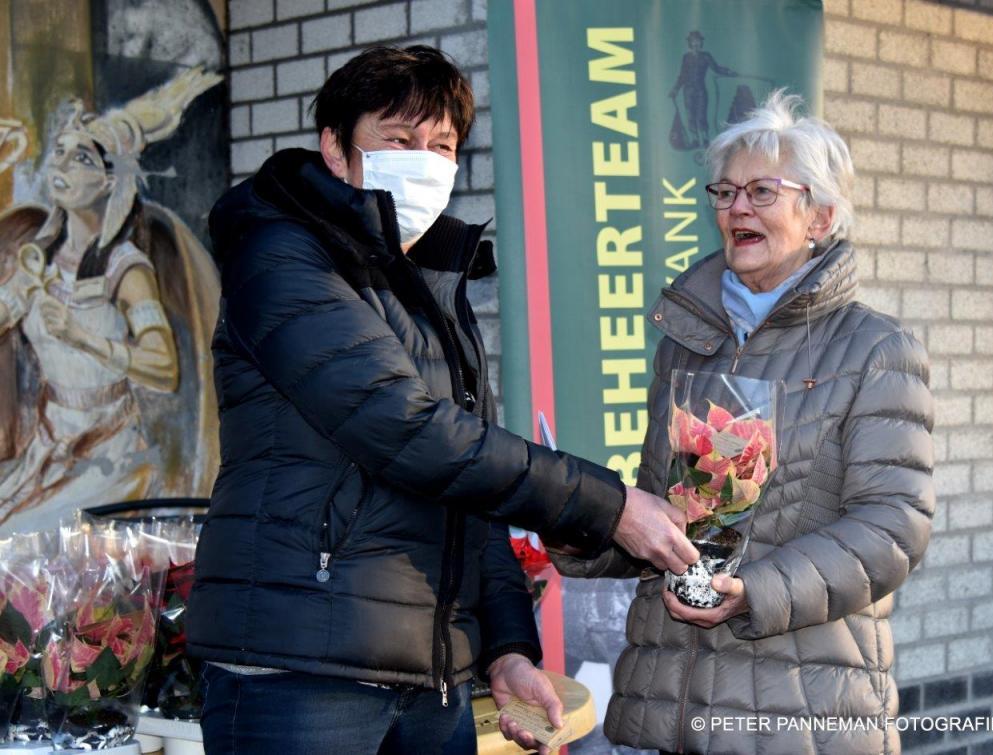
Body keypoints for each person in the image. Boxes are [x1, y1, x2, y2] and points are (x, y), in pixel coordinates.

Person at [186, 45, 697, 755]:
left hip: (432, 682)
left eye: (442, 145)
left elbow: (468, 489)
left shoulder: (428, 283)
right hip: (300, 675)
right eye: (398, 140)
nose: (423, 162)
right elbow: (409, 432)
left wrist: (507, 647)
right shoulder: (281, 256)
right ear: (335, 147)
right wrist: (610, 506)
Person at [552, 91, 934, 754]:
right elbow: (665, 517)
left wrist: (752, 591)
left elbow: (893, 529)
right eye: (725, 192)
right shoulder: (685, 343)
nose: (736, 208)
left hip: (799, 713)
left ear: (821, 216)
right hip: (673, 703)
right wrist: (585, 526)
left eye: (762, 192)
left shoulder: (876, 348)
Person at [0, 68, 221, 532]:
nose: (61, 166)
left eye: (80, 158)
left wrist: (80, 336)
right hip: (47, 448)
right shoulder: (38, 258)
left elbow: (164, 367)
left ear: (107, 181)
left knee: (23, 538)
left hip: (106, 456)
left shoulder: (126, 269)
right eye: (59, 153)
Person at [668, 31, 736, 148]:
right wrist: (675, 89)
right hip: (688, 91)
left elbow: (716, 68)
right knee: (690, 116)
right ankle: (695, 140)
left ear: (701, 43)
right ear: (690, 43)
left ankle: (705, 139)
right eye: (693, 41)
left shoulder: (706, 56)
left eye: (698, 41)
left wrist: (728, 72)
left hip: (700, 90)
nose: (696, 44)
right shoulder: (686, 58)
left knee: (701, 115)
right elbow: (682, 76)